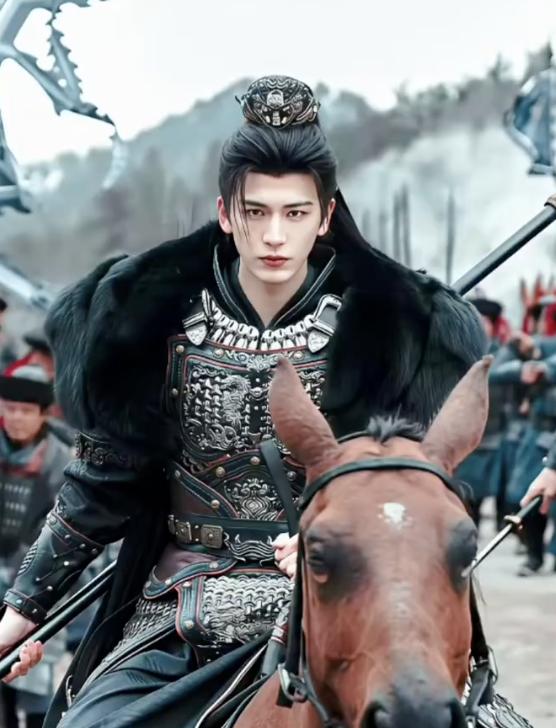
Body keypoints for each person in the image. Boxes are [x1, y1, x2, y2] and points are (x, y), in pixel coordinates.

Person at [0, 76, 486, 727]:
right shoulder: (151, 321)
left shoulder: (392, 330)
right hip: (181, 607)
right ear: (226, 214)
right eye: (256, 213)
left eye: (295, 213)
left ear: (325, 215)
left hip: (345, 598)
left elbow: (409, 493)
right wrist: (21, 611)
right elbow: (100, 484)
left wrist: (330, 538)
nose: (274, 236)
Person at [0, 365, 71, 728]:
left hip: (39, 583)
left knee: (34, 676)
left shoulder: (63, 462)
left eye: (26, 410)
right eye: (10, 408)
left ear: (43, 413)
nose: (16, 418)